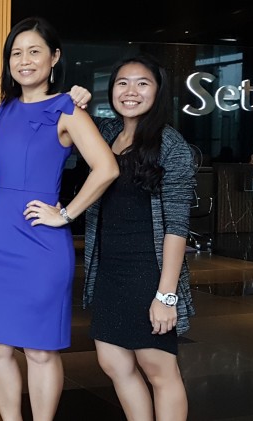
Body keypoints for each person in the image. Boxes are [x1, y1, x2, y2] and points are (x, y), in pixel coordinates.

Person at [0, 16, 119, 420]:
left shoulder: (67, 109)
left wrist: (66, 213)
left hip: (41, 242)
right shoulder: (1, 108)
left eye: (34, 51)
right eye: (16, 53)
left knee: (39, 349)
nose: (24, 61)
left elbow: (107, 167)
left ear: (54, 57)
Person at [82, 54, 196, 421]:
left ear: (158, 91)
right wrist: (73, 98)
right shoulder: (106, 133)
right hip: (109, 269)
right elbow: (58, 119)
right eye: (122, 83)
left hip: (149, 271)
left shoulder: (170, 144)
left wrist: (166, 295)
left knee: (158, 368)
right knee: (113, 361)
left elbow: (177, 226)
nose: (131, 91)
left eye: (142, 83)